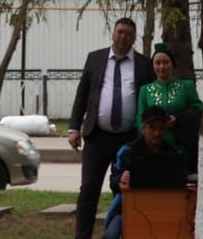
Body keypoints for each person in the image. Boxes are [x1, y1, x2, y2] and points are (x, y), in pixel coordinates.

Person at [67, 18, 154, 239]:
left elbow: (149, 100)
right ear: (113, 33)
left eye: (128, 34)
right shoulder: (95, 58)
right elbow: (82, 95)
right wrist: (73, 128)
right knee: (88, 190)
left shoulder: (144, 64)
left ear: (134, 38)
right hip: (96, 136)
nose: (123, 37)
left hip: (129, 139)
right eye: (120, 32)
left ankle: (125, 233)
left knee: (128, 190)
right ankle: (82, 236)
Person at [102, 107, 181, 239]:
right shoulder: (127, 151)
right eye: (152, 128)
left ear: (166, 130)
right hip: (127, 211)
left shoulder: (174, 154)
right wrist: (121, 178)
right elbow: (113, 181)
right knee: (111, 235)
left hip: (164, 211)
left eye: (161, 128)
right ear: (143, 128)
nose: (157, 133)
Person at [136, 43, 203, 167]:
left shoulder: (186, 86)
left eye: (165, 62)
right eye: (157, 63)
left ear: (173, 64)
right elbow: (139, 119)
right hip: (153, 147)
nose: (161, 66)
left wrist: (179, 119)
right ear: (152, 66)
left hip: (181, 145)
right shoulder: (145, 90)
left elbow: (198, 110)